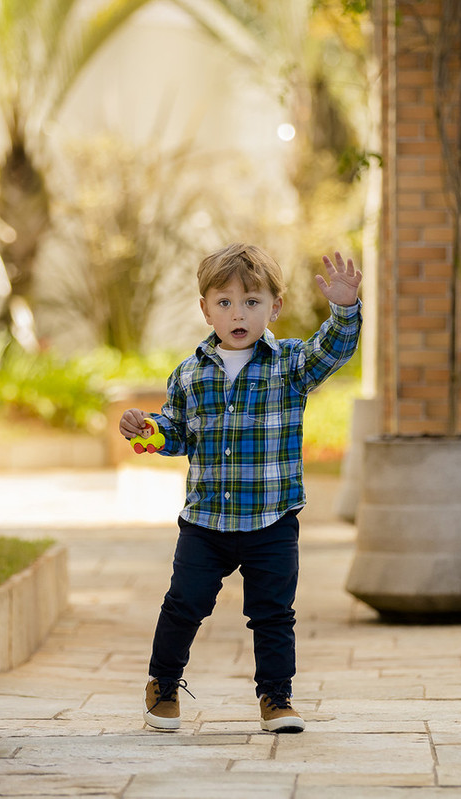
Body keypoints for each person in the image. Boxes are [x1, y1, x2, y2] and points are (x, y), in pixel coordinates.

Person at [120, 242, 362, 734]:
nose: (238, 313)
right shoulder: (190, 374)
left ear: (275, 307)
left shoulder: (289, 366)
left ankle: (276, 698)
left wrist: (344, 307)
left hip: (272, 520)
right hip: (206, 522)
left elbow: (332, 348)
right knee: (184, 604)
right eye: (225, 302)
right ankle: (163, 683)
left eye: (252, 302)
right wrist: (150, 428)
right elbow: (179, 432)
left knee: (273, 614)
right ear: (205, 307)